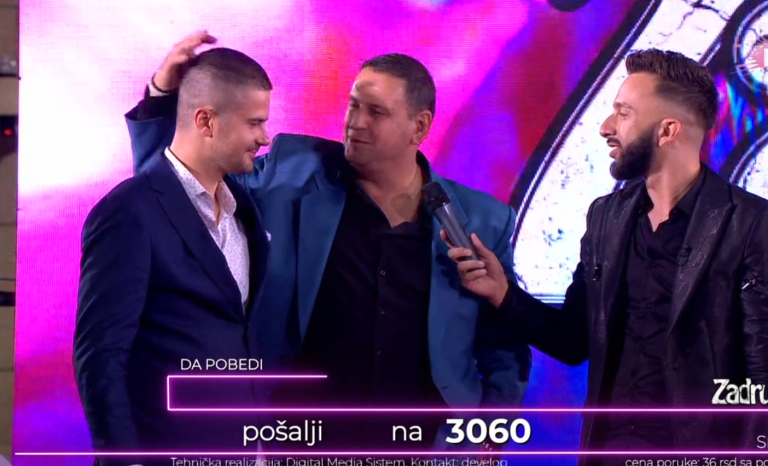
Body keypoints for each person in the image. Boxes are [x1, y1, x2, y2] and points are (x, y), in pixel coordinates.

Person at [124, 31, 531, 451]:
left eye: (376, 111)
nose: (355, 122)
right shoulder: (291, 173)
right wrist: (161, 99)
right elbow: (177, 195)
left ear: (420, 126)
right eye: (354, 105)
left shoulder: (482, 221)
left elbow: (504, 346)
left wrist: (490, 434)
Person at [444, 48, 768, 465]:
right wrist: (502, 293)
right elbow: (573, 340)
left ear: (667, 130)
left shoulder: (751, 225)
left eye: (624, 113)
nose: (605, 127)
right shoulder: (606, 217)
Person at [74, 47, 273, 465]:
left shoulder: (244, 208)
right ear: (205, 121)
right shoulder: (127, 212)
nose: (264, 138)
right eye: (254, 123)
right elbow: (100, 359)